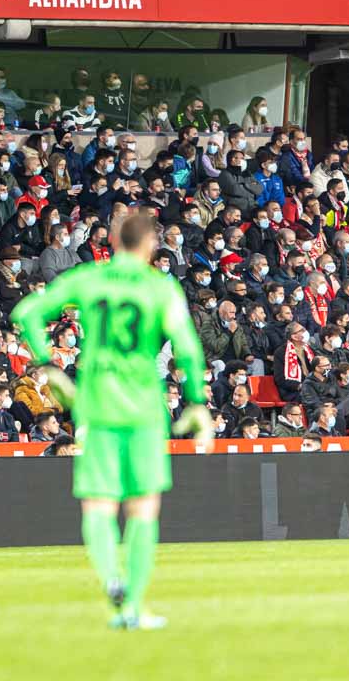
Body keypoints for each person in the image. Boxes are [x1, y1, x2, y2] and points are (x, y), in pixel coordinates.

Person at [11, 212, 211, 631]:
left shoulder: (89, 278)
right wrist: (195, 401)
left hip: (96, 403)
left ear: (114, 241)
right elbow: (188, 347)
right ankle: (133, 607)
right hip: (142, 406)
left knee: (99, 504)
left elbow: (28, 312)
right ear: (150, 245)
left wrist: (49, 365)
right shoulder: (160, 287)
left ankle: (111, 578)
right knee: (143, 507)